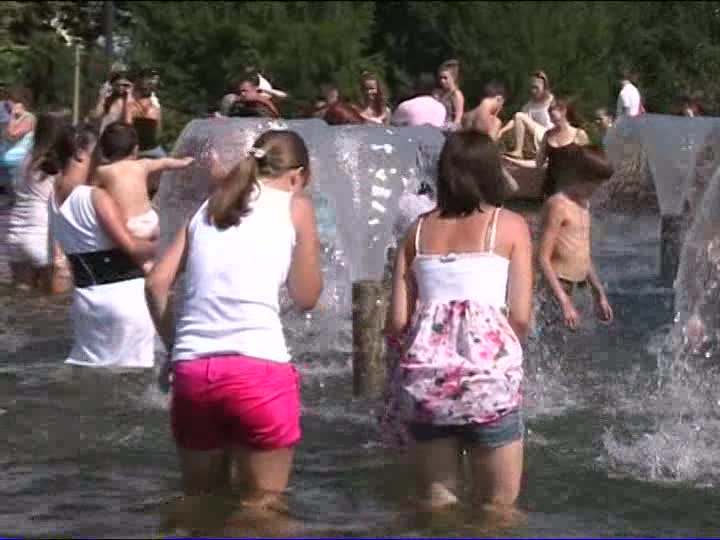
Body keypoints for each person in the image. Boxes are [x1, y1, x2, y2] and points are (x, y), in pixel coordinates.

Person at [144, 130, 322, 521]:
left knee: (200, 502)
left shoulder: (210, 206)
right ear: (297, 176)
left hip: (193, 374)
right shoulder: (296, 206)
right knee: (264, 508)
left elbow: (156, 284)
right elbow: (306, 296)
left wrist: (175, 348)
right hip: (258, 370)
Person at [381, 131, 533, 514]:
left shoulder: (416, 232)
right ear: (491, 171)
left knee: (435, 508)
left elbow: (396, 323)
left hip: (426, 384)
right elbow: (520, 317)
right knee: (498, 509)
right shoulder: (509, 226)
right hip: (489, 382)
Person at [49, 123, 158, 368]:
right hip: (124, 300)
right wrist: (172, 242)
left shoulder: (52, 195)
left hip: (85, 303)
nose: (103, 157)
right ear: (80, 154)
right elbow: (132, 247)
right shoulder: (94, 196)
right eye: (97, 150)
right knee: (135, 381)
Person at [94, 122, 194, 272]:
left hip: (131, 226)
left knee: (141, 261)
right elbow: (164, 163)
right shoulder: (143, 164)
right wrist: (183, 162)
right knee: (155, 251)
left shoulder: (103, 171)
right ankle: (163, 267)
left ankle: (148, 269)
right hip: (151, 220)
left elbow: (90, 193)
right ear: (135, 149)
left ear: (104, 150)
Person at [538, 142, 614, 331]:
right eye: (593, 185)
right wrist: (563, 300)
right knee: (553, 338)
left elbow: (582, 254)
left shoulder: (584, 206)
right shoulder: (558, 205)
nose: (596, 191)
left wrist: (598, 292)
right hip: (558, 286)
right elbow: (542, 258)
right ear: (579, 175)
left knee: (575, 341)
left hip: (579, 286)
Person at [5, 111, 69, 292]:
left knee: (21, 299)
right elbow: (59, 206)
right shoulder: (53, 163)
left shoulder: (23, 160)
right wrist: (60, 255)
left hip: (15, 234)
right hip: (41, 237)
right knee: (54, 300)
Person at [536, 98, 591, 197]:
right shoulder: (547, 135)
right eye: (549, 110)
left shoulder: (579, 134)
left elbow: (589, 163)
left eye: (552, 109)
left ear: (564, 111)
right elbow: (539, 162)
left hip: (572, 187)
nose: (549, 112)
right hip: (551, 187)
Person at [499, 71, 555, 158]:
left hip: (549, 136)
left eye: (536, 88)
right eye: (532, 87)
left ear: (545, 87)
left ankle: (518, 151)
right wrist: (501, 131)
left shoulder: (552, 101)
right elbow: (515, 120)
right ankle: (526, 151)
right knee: (519, 117)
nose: (533, 91)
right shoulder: (529, 105)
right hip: (537, 139)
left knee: (519, 116)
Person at [91, 70, 134, 134]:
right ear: (113, 85)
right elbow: (96, 115)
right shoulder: (107, 99)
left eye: (125, 85)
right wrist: (102, 96)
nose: (121, 87)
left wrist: (129, 95)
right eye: (118, 85)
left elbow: (129, 121)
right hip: (108, 134)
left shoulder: (131, 101)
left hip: (125, 135)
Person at [437, 60, 465, 128]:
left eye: (445, 78)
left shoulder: (456, 94)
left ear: (453, 78)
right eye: (441, 78)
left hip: (449, 128)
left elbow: (458, 118)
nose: (442, 81)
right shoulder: (442, 93)